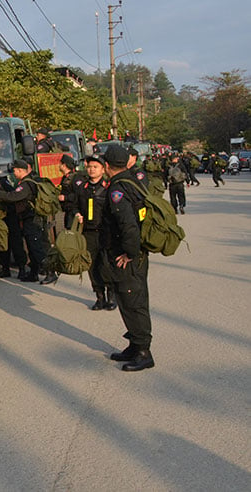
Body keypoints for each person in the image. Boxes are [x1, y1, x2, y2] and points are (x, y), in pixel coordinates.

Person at [101, 144, 155, 371]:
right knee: (128, 299)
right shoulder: (131, 181)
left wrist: (129, 253)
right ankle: (134, 345)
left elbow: (129, 227)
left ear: (106, 165)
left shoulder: (118, 190)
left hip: (129, 257)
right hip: (132, 253)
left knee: (133, 301)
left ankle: (143, 352)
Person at [0, 159, 52, 283]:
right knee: (31, 247)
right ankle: (34, 273)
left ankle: (51, 272)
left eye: (15, 171)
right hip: (29, 219)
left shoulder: (26, 184)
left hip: (32, 219)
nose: (14, 173)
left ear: (20, 170)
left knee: (36, 248)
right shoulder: (29, 180)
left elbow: (14, 196)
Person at [75, 155, 115, 311]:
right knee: (92, 266)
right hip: (88, 232)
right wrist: (77, 214)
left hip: (105, 232)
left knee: (106, 264)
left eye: (95, 167)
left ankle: (112, 296)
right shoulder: (82, 188)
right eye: (89, 167)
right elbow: (74, 206)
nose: (91, 169)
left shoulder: (108, 187)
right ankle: (99, 297)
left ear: (103, 169)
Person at [58, 154, 79, 228]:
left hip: (73, 211)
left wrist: (65, 197)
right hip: (67, 210)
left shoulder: (75, 178)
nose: (59, 165)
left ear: (64, 165)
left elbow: (78, 194)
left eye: (60, 164)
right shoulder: (65, 178)